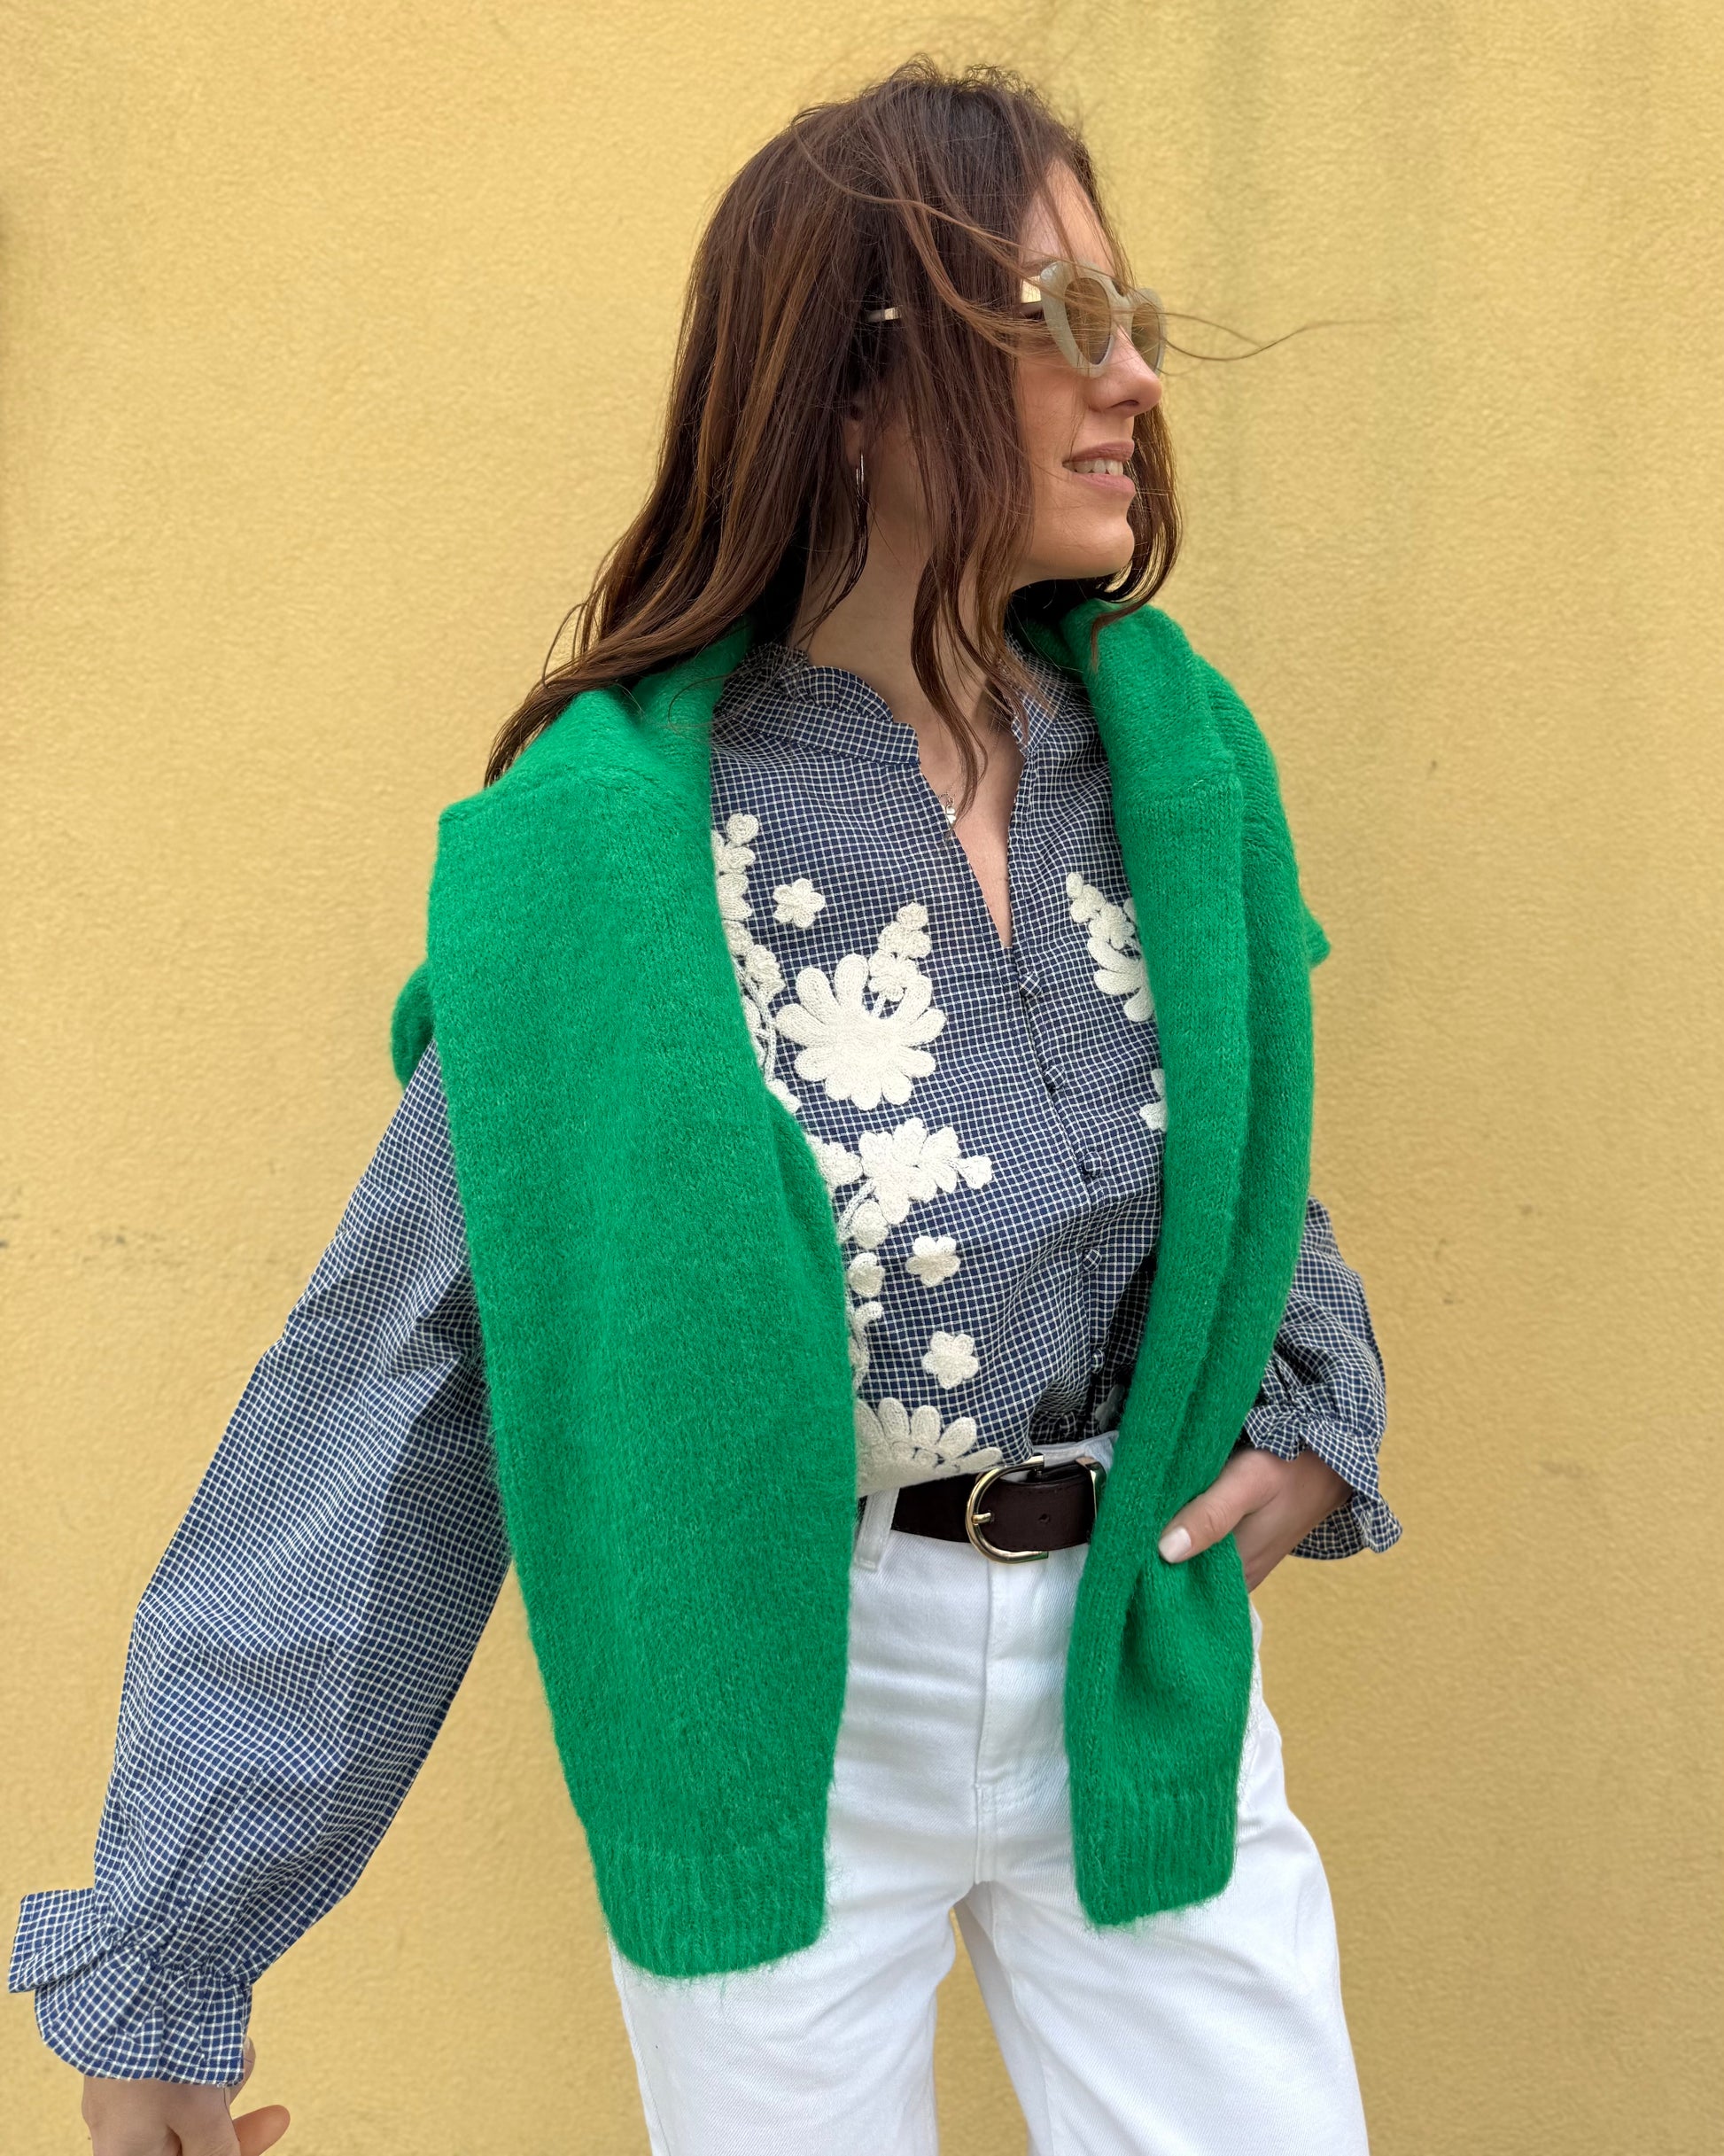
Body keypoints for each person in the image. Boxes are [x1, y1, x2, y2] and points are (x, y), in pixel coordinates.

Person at [11, 58, 1401, 2156]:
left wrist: (1310, 1405)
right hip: (772, 1695)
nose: (1130, 381)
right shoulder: (607, 849)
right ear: (855, 383)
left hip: (1139, 1647)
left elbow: (1242, 1155)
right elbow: (396, 1387)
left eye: (1130, 321)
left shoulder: (1177, 761)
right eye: (1059, 318)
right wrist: (174, 1961)